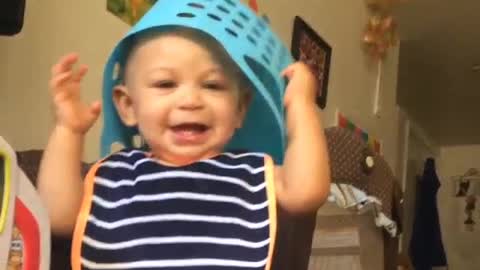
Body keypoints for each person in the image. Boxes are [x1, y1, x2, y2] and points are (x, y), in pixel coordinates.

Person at [37, 2, 330, 269]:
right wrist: (68, 130)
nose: (191, 99)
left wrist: (300, 106)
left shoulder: (250, 174)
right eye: (166, 83)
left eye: (213, 85)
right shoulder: (115, 177)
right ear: (128, 106)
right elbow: (54, 218)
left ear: (240, 109)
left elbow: (307, 191)